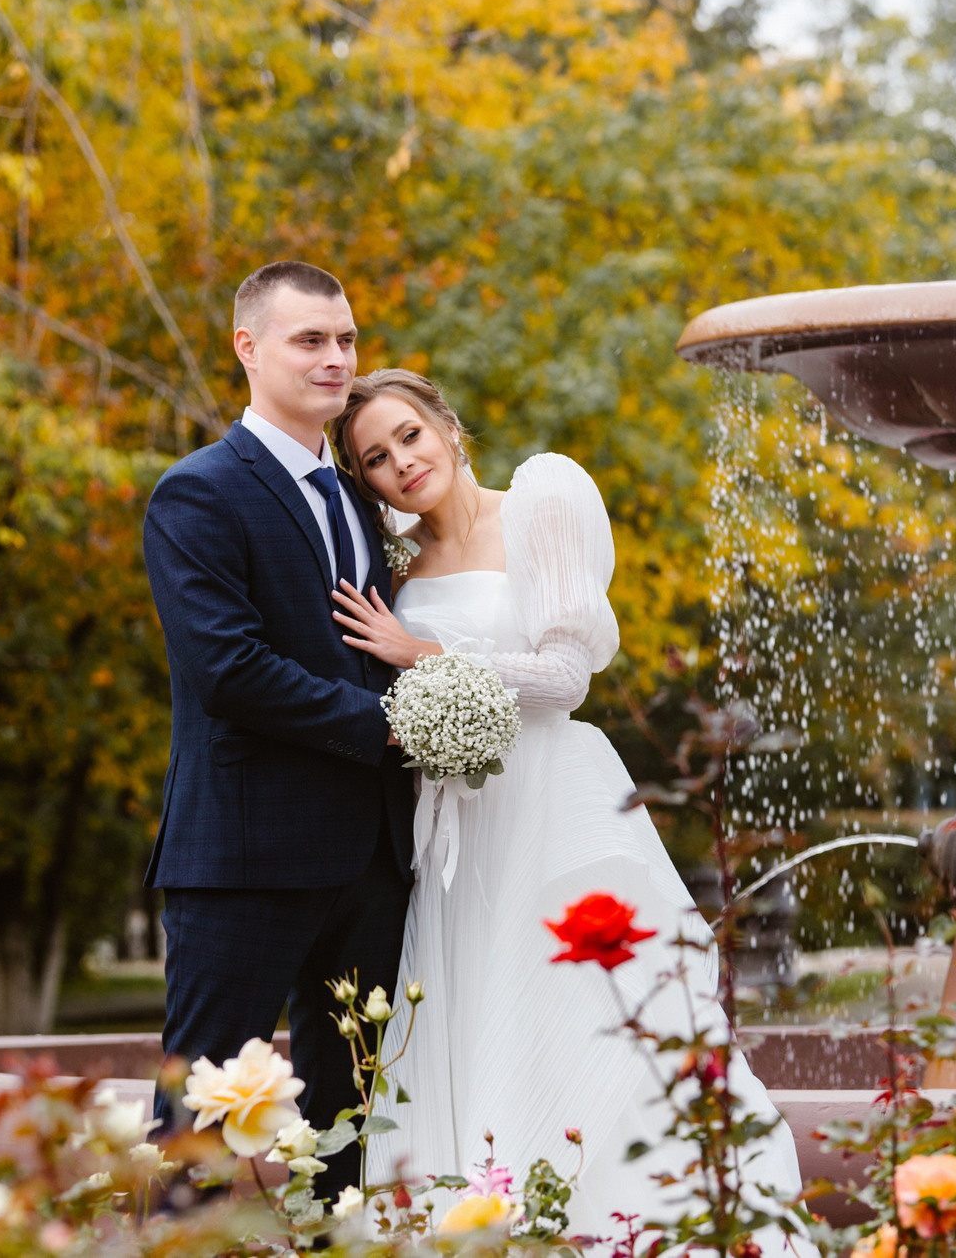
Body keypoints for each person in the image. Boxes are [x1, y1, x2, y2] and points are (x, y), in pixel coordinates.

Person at [328, 369, 802, 1242]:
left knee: (591, 1011)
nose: (401, 462)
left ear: (450, 426)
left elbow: (566, 677)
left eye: (410, 435)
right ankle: (493, 1221)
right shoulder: (395, 562)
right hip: (456, 827)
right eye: (376, 458)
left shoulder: (540, 501)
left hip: (550, 801)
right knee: (474, 1021)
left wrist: (422, 651)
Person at [140, 263, 415, 1196]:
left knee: (349, 1133)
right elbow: (230, 670)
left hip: (372, 863)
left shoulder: (360, 497)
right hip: (245, 862)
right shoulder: (199, 493)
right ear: (247, 348)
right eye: (311, 340)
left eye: (345, 339)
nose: (336, 358)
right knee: (201, 1130)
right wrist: (386, 726)